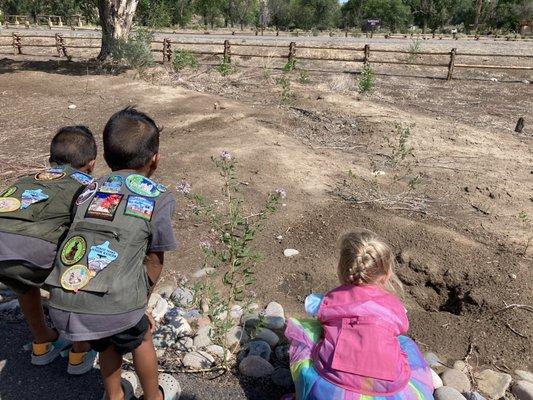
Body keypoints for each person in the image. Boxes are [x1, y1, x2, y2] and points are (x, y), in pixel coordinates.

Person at [46, 107, 180, 400]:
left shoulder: (87, 188)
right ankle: (153, 396)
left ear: (104, 158)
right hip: (115, 302)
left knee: (108, 342)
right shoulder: (158, 196)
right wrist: (139, 303)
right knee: (141, 335)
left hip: (64, 295)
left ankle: (114, 395)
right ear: (155, 159)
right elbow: (155, 261)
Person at [284, 229, 434, 400]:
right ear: (386, 276)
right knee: (405, 343)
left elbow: (314, 309)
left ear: (342, 270)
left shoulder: (330, 300)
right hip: (387, 388)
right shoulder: (395, 307)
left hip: (332, 383)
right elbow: (402, 327)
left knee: (309, 330)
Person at [0, 125, 98, 374]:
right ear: (92, 165)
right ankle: (80, 351)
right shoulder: (86, 184)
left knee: (23, 280)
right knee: (77, 271)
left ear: (50, 160)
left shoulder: (28, 178)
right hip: (37, 253)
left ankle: (42, 343)